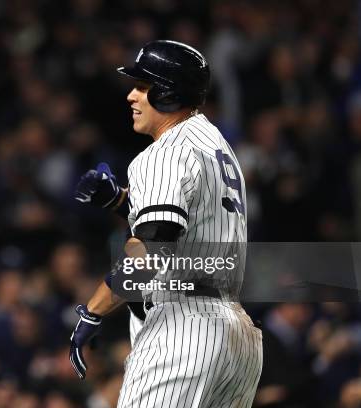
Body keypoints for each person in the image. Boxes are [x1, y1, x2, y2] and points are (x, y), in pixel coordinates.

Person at [69, 40, 263, 407]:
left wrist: (94, 310)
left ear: (169, 94)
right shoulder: (216, 143)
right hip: (238, 340)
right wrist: (122, 202)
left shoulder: (164, 153)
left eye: (142, 87)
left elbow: (154, 247)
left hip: (183, 327)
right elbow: (187, 222)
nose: (131, 95)